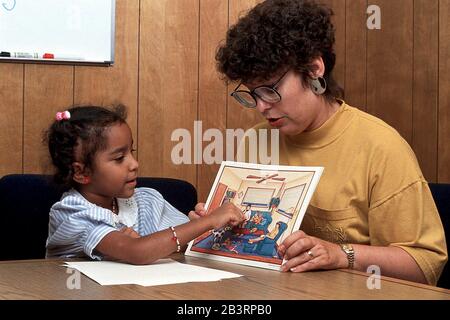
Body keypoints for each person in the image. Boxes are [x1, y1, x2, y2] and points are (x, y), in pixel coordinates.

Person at [212, 0, 447, 285]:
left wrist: (341, 254)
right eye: (252, 94)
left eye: (270, 90)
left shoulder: (381, 147)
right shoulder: (257, 141)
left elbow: (425, 263)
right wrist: (214, 226)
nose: (261, 106)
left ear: (314, 70)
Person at [45, 105, 244, 264]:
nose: (134, 164)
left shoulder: (147, 199)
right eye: (119, 158)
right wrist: (207, 223)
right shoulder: (72, 214)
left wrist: (202, 224)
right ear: (82, 172)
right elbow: (137, 252)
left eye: (132, 152)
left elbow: (187, 243)